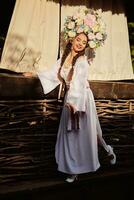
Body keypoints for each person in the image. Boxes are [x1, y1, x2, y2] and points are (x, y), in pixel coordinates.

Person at [24, 8, 116, 183]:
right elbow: (52, 74)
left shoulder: (82, 62)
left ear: (86, 45)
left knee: (84, 134)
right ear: (72, 38)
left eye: (84, 42)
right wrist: (34, 74)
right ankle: (76, 167)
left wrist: (74, 104)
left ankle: (102, 154)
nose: (80, 43)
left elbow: (79, 85)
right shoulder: (64, 58)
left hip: (81, 100)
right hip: (70, 100)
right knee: (72, 135)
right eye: (78, 39)